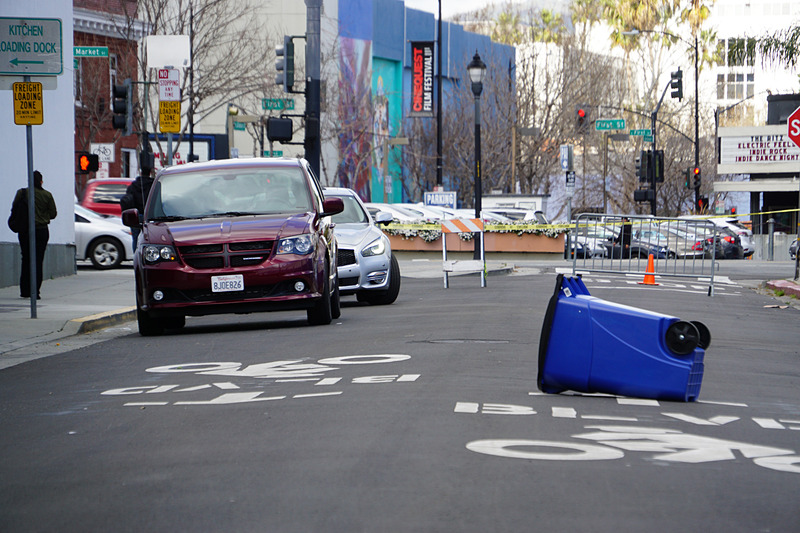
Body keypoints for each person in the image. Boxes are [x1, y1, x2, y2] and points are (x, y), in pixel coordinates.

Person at [10, 170, 57, 299]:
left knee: (26, 259)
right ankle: (35, 291)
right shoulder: (47, 195)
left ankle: (25, 290)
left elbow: (14, 209)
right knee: (38, 260)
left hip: (25, 230)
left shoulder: (22, 193)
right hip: (41, 230)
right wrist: (42, 215)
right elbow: (53, 214)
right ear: (41, 181)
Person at [119, 169, 154, 248]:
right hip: (148, 216)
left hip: (135, 215)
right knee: (150, 238)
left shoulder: (133, 186)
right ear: (150, 173)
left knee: (135, 238)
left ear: (140, 173)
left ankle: (136, 253)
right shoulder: (152, 185)